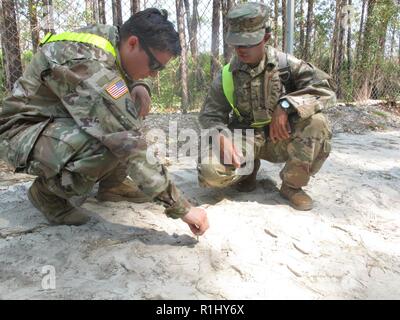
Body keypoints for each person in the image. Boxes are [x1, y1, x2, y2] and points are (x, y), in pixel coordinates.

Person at [0, 8, 209, 235]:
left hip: (52, 120)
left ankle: (113, 185)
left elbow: (119, 76)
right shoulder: (89, 65)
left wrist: (140, 85)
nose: (153, 75)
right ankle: (47, 195)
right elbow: (129, 142)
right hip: (20, 132)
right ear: (132, 43)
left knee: (126, 113)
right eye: (154, 66)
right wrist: (182, 208)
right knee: (113, 139)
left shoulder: (109, 39)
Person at [198, 2, 336, 211]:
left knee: (317, 123)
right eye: (236, 43)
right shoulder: (226, 75)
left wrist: (287, 104)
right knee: (210, 173)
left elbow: (326, 89)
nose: (240, 49)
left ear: (266, 37)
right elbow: (209, 116)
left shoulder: (288, 65)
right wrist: (220, 136)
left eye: (248, 43)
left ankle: (292, 186)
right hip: (244, 137)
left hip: (280, 136)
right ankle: (248, 169)